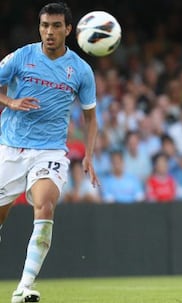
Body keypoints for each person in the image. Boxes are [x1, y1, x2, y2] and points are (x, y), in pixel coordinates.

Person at [0, 3, 99, 302]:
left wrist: (90, 155)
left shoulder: (81, 70)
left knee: (44, 206)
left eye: (56, 26)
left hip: (50, 151)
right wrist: (10, 101)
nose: (49, 32)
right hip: (10, 148)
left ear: (69, 30)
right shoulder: (22, 56)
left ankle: (24, 287)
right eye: (44, 25)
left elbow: (90, 117)